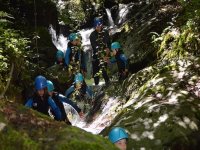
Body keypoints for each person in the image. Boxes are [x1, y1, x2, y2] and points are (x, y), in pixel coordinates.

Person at [89, 17, 111, 85]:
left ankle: (108, 84)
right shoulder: (92, 35)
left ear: (101, 25)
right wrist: (102, 56)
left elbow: (109, 43)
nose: (98, 27)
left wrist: (107, 54)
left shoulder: (105, 32)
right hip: (96, 56)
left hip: (105, 54)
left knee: (104, 71)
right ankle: (96, 86)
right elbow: (95, 48)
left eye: (99, 25)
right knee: (96, 73)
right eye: (96, 26)